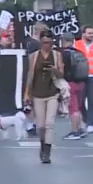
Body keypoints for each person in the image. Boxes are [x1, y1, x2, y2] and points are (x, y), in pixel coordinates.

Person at [24, 31, 65, 164]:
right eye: (44, 43)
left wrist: (54, 70)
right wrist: (27, 93)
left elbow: (61, 75)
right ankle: (42, 145)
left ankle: (47, 152)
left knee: (49, 124)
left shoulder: (57, 55)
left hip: (53, 92)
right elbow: (30, 76)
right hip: (37, 93)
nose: (46, 45)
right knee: (41, 125)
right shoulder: (34, 56)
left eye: (49, 42)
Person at [74, 26, 93, 134]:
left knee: (92, 101)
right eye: (89, 33)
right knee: (80, 101)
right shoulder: (76, 44)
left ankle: (90, 124)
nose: (91, 35)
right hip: (80, 77)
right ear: (83, 34)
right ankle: (85, 119)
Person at [60, 33, 88, 140]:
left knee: (73, 108)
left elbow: (62, 70)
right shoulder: (80, 53)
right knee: (79, 107)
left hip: (71, 83)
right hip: (82, 82)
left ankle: (74, 131)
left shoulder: (65, 54)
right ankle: (81, 128)